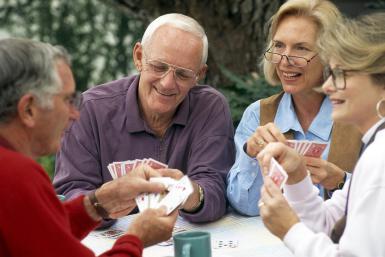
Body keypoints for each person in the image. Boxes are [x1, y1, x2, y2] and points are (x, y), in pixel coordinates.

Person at [0, 37, 178, 257]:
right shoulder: (16, 175)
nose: (75, 114)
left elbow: (41, 235)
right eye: (67, 100)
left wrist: (100, 202)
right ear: (28, 109)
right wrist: (137, 238)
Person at [53, 13, 235, 224]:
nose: (167, 83)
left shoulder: (210, 107)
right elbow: (68, 196)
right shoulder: (89, 109)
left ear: (199, 74)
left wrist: (191, 193)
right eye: (159, 67)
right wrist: (105, 201)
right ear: (139, 57)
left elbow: (215, 190)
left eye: (183, 74)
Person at [257, 12, 385, 256]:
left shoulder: (380, 157)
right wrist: (296, 176)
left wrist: (290, 230)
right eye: (330, 74)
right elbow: (328, 226)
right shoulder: (376, 146)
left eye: (340, 74)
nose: (327, 87)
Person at [226, 0, 361, 216]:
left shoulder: (360, 116)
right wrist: (251, 155)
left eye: (301, 48)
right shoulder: (258, 114)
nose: (284, 60)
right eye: (279, 45)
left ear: (330, 56)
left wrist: (341, 181)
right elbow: (245, 206)